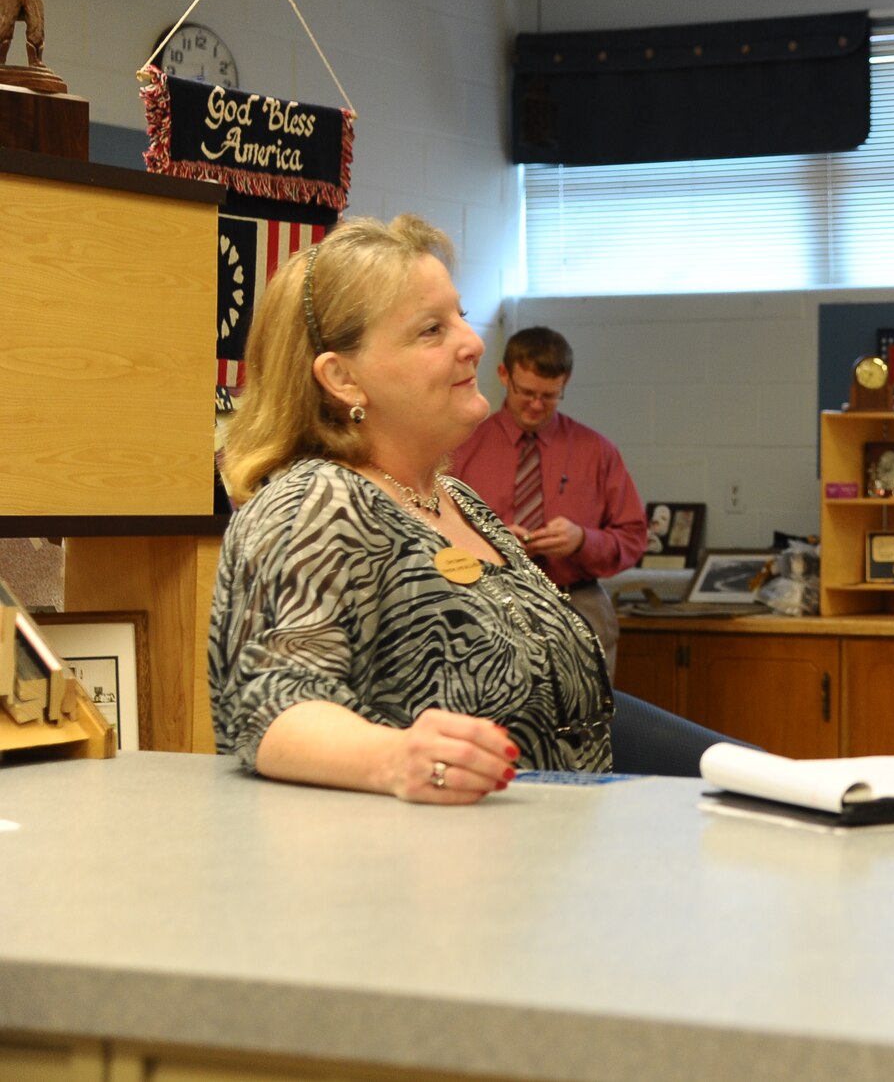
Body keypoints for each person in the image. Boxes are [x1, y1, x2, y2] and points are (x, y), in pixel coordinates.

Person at [210, 215, 731, 803]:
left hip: (557, 857)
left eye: (459, 314)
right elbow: (272, 705)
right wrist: (393, 759)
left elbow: (564, 701)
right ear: (342, 378)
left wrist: (742, 767)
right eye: (432, 330)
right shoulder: (315, 502)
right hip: (437, 874)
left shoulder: (454, 499)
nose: (474, 341)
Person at [451, 326, 646, 678]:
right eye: (526, 392)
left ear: (564, 384)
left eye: (550, 396)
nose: (536, 405)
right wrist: (490, 544)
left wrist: (583, 541)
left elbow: (633, 538)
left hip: (579, 604)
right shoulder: (461, 448)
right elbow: (428, 534)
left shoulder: (596, 451)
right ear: (503, 375)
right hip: (486, 605)